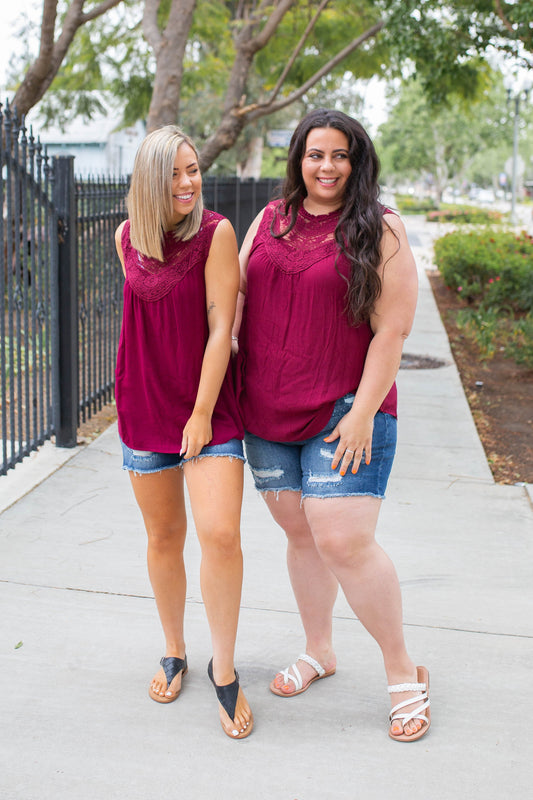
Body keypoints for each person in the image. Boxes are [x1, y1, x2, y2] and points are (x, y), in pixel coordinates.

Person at [233, 108, 430, 742]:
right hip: (266, 410)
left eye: (339, 155)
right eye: (315, 154)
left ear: (356, 160)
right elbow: (234, 298)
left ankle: (403, 671)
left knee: (343, 540)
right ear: (298, 159)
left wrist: (364, 413)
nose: (326, 166)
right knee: (300, 534)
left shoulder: (382, 230)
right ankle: (320, 648)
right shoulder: (268, 220)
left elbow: (392, 331)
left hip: (345, 412)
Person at [114, 125, 253, 739]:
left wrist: (200, 413)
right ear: (149, 181)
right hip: (143, 407)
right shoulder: (126, 238)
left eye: (192, 170)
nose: (188, 182)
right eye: (174, 172)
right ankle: (175, 649)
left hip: (206, 408)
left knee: (220, 535)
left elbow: (221, 328)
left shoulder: (216, 234)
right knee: (163, 535)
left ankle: (224, 667)